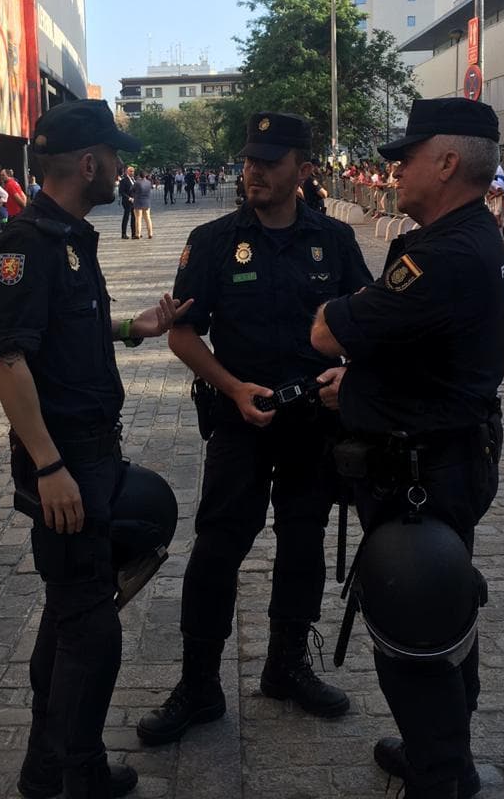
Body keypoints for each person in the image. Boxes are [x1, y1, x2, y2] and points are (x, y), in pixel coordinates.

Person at [137, 111, 373, 746]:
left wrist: (348, 373)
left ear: (303, 167)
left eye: (269, 161)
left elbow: (367, 324)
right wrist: (233, 388)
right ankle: (199, 685)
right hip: (238, 421)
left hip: (310, 427)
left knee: (303, 546)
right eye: (249, 160)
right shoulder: (213, 241)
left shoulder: (334, 241)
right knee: (216, 548)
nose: (254, 171)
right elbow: (183, 334)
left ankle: (286, 666)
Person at [0, 99, 189, 799]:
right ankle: (75, 777)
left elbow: (70, 337)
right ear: (91, 164)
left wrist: (136, 327)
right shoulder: (24, 247)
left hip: (92, 458)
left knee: (72, 618)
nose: (125, 168)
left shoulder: (68, 239)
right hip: (65, 466)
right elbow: (7, 360)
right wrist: (49, 467)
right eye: (117, 157)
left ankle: (52, 770)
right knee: (89, 632)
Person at [309, 97, 504, 799]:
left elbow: (327, 333)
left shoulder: (445, 254)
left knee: (414, 612)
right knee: (441, 600)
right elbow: (419, 353)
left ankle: (440, 776)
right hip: (443, 458)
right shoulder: (467, 235)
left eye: (407, 156)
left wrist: (340, 336)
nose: (394, 169)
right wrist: (363, 382)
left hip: (423, 473)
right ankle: (442, 750)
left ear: (448, 162)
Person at [132, 171, 155, 239]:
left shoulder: (137, 183)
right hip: (147, 202)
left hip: (138, 202)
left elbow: (132, 190)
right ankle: (150, 233)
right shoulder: (149, 182)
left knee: (138, 219)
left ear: (139, 176)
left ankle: (138, 234)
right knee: (148, 218)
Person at [118, 165, 137, 239]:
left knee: (134, 217)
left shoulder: (134, 180)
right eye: (131, 171)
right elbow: (121, 192)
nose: (132, 172)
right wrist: (129, 198)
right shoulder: (124, 181)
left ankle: (134, 233)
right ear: (127, 172)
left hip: (134, 201)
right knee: (126, 217)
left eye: (133, 171)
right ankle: (123, 233)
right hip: (127, 201)